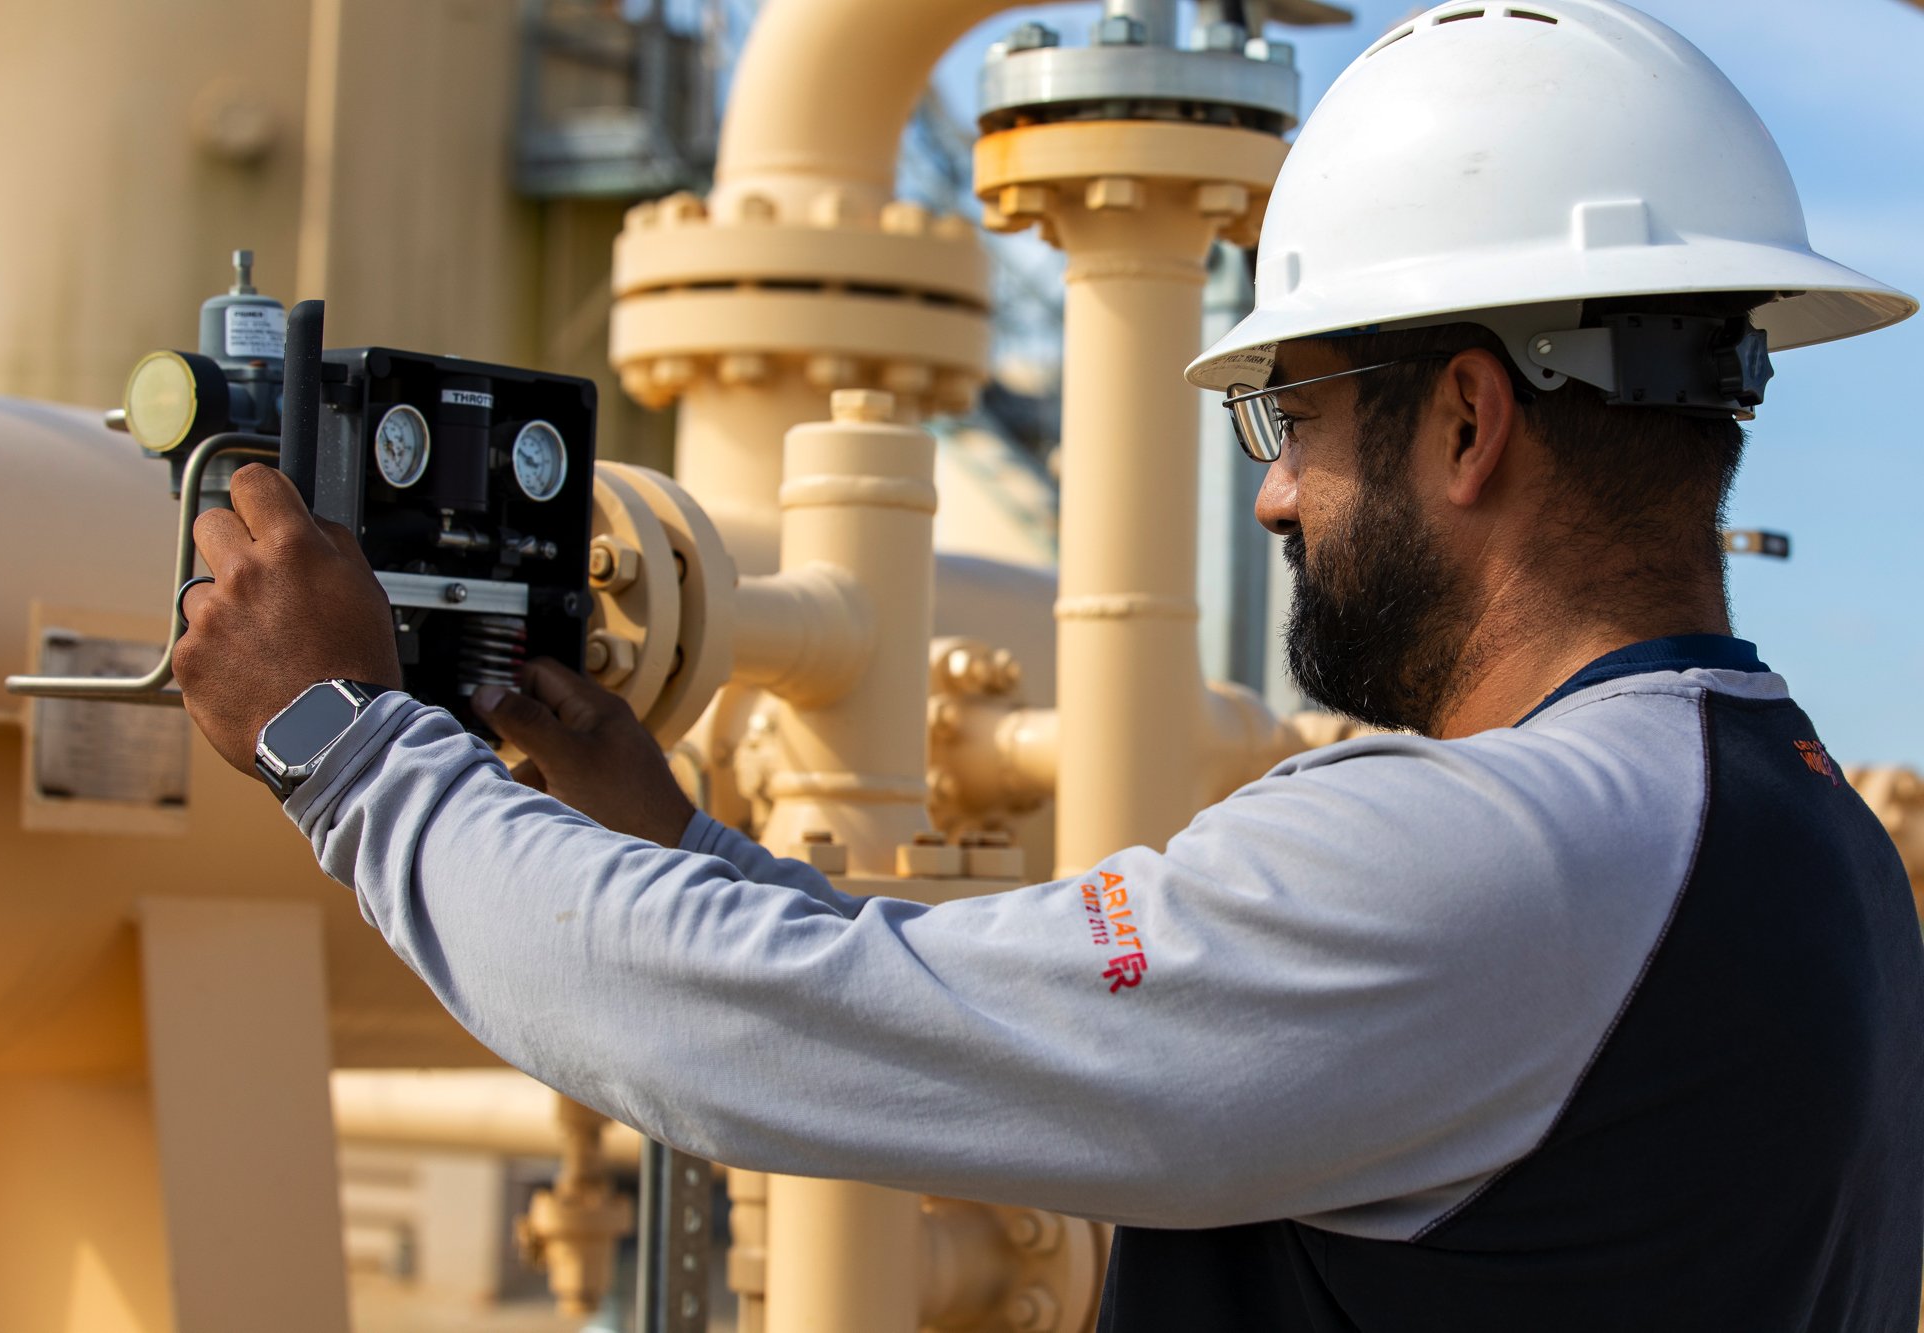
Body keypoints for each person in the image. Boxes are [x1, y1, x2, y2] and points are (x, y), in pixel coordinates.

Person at [169, 1, 1923, 1328]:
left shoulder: (1502, 860)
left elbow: (776, 1032)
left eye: (1287, 414)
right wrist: (677, 843)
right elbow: (954, 1026)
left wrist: (345, 742)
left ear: (1468, 418)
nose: (1273, 496)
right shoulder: (1810, 838)